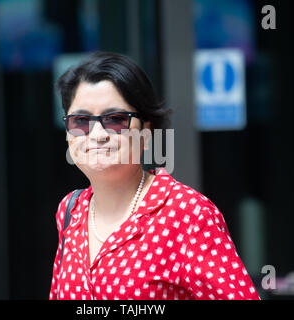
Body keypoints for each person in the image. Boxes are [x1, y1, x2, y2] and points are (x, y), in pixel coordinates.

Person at [49, 51, 260, 300]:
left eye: (116, 119)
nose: (96, 134)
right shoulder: (71, 210)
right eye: (81, 120)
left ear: (146, 132)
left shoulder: (186, 213)